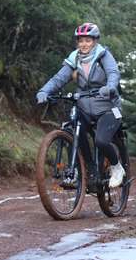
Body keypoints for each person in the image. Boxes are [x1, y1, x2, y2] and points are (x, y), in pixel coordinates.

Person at [36, 22, 125, 188]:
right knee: (72, 130)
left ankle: (116, 167)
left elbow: (113, 73)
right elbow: (59, 78)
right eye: (81, 41)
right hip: (84, 106)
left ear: (95, 41)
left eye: (88, 40)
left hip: (108, 107)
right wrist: (44, 91)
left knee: (101, 141)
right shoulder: (74, 58)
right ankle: (85, 170)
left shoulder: (103, 55)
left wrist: (110, 88)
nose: (84, 44)